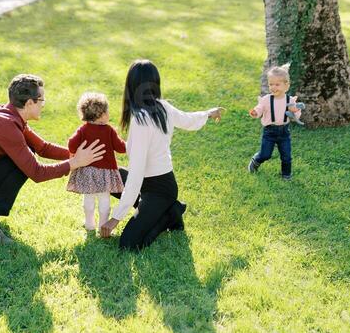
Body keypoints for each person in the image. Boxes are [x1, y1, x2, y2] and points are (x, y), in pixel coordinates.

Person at [0, 73, 105, 243]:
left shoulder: (8, 116)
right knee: (20, 162)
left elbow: (42, 147)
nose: (43, 105)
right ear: (29, 103)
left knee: (26, 153)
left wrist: (78, 155)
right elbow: (36, 172)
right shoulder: (5, 125)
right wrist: (75, 162)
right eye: (41, 101)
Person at [99, 60, 224, 251]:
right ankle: (159, 210)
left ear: (130, 86)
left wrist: (115, 218)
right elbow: (188, 120)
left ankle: (170, 214)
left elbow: (136, 174)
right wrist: (208, 113)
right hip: (147, 185)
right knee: (105, 175)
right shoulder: (159, 108)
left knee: (129, 244)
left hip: (159, 190)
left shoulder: (147, 116)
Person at [67, 91, 126, 232]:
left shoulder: (82, 130)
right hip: (106, 172)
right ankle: (103, 225)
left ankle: (89, 223)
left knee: (88, 198)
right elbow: (120, 148)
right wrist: (131, 144)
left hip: (87, 170)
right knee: (104, 198)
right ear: (102, 114)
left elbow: (71, 144)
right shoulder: (109, 131)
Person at [247, 64, 303, 180]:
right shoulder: (267, 99)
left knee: (286, 156)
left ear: (286, 86)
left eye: (277, 84)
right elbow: (259, 108)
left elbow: (296, 115)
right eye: (271, 84)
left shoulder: (290, 100)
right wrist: (255, 113)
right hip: (270, 131)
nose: (273, 87)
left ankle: (286, 175)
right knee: (266, 154)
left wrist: (295, 111)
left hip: (284, 131)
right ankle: (256, 160)